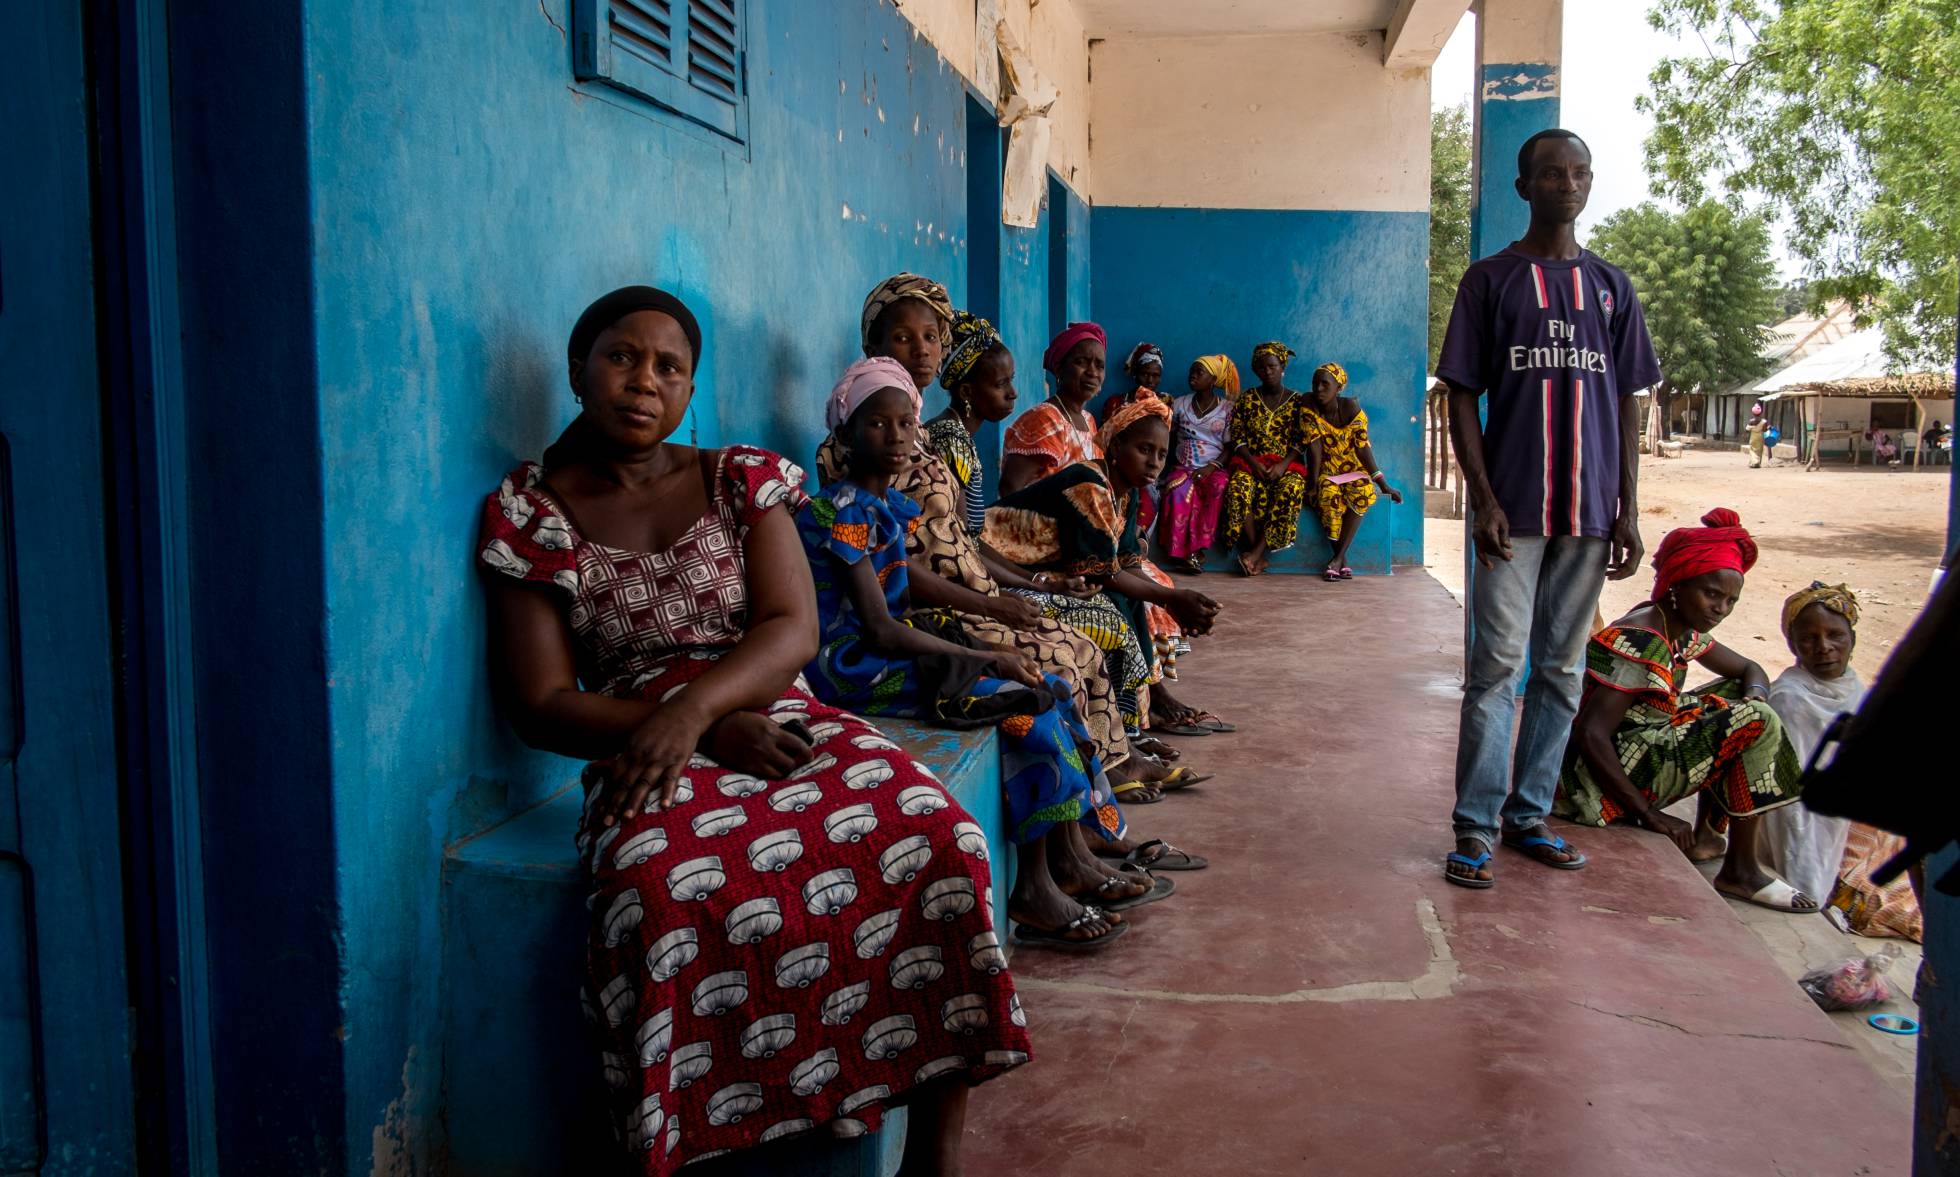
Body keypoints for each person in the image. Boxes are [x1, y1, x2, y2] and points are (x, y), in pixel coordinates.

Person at [476, 288, 1027, 1175]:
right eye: (621, 357)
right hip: (634, 734)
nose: (644, 381)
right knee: (655, 891)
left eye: (670, 366)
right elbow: (539, 700)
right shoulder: (531, 515)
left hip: (771, 708)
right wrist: (683, 731)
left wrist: (703, 715)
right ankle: (697, 1139)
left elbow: (791, 630)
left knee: (937, 836)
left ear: (692, 385)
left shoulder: (737, 478)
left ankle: (933, 1157)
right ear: (579, 371)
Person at [798, 357, 1171, 950]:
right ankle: (1035, 887)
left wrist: (991, 623)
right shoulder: (842, 514)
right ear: (844, 434)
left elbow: (904, 577)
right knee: (1024, 707)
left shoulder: (880, 507)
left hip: (899, 652)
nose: (896, 437)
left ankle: (1074, 851)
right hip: (857, 668)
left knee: (1051, 691)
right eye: (877, 425)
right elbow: (877, 627)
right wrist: (982, 659)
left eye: (904, 424)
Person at [826, 283, 1195, 798]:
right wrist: (1003, 600)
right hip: (935, 609)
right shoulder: (863, 447)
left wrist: (1034, 584)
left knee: (1087, 638)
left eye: (932, 336)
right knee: (1068, 653)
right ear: (873, 346)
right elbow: (897, 564)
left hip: (976, 592)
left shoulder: (925, 439)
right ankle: (1104, 776)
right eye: (903, 337)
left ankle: (1116, 759)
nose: (923, 349)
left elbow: (960, 540)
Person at [1437, 128, 1660, 888]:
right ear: (1523, 186)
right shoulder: (1491, 281)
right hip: (1513, 513)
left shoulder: (1611, 287)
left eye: (1580, 172)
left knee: (1562, 670)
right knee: (1497, 668)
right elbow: (1461, 393)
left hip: (1590, 515)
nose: (1568, 183)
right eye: (1552, 173)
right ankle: (1474, 826)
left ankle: (1529, 814)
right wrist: (1483, 496)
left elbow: (1627, 402)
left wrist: (1627, 506)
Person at [928, 310, 1183, 776]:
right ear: (967, 391)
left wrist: (1042, 582)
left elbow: (970, 541)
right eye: (1000, 383)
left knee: (1115, 605)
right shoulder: (949, 441)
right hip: (991, 575)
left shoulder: (963, 441)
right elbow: (965, 547)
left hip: (1018, 567)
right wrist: (1037, 585)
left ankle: (1126, 743)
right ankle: (1118, 756)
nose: (1012, 393)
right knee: (1106, 618)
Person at [1555, 509, 1811, 910]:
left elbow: (1748, 669)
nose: (1720, 609)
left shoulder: (1680, 630)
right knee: (1754, 721)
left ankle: (1709, 833)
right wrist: (1646, 814)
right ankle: (1741, 871)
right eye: (1711, 594)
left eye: (1730, 600)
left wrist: (1755, 696)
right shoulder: (1643, 637)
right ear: (1677, 584)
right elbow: (1590, 732)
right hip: (1594, 784)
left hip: (1642, 748)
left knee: (1743, 701)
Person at [985, 399, 1231, 742]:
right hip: (998, 564)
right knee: (1113, 601)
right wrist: (1172, 599)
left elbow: (1126, 563)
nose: (1154, 462)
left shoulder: (1125, 492)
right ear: (1116, 447)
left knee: (1132, 599)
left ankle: (1146, 703)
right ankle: (1132, 718)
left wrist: (1169, 599)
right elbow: (1104, 574)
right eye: (1144, 449)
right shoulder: (1090, 482)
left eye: (1161, 455)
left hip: (1038, 568)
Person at [1757, 583, 1864, 905]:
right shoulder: (1790, 699)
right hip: (1797, 813)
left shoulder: (1855, 689)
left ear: (1852, 639)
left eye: (1835, 635)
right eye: (1808, 638)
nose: (1824, 647)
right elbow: (1788, 796)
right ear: (1793, 645)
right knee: (1808, 884)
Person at [1301, 361, 1402, 582]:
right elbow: (1314, 450)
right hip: (1327, 471)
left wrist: (1383, 484)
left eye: (1325, 384)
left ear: (1339, 388)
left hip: (1353, 470)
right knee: (1326, 494)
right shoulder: (1308, 406)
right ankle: (1341, 560)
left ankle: (1336, 559)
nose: (1319, 389)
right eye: (1315, 383)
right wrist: (1312, 484)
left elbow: (1363, 448)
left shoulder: (1352, 409)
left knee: (1364, 491)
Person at [1221, 342, 1306, 577]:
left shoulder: (1298, 402)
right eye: (1262, 367)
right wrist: (1252, 462)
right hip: (1251, 463)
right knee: (1238, 488)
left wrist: (1283, 465)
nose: (1267, 371)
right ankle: (1256, 553)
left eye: (1272, 366)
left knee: (1291, 488)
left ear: (1282, 367)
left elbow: (1302, 441)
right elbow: (1237, 437)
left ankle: (1255, 555)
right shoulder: (1247, 400)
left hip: (1285, 466)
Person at [1000, 322, 1107, 494]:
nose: (1092, 372)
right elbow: (1010, 488)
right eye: (1081, 362)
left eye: (1099, 365)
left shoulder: (1088, 420)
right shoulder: (1046, 419)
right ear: (1059, 369)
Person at [1160, 354, 1236, 573]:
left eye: (1199, 372)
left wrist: (1212, 467)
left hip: (1215, 467)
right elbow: (1167, 435)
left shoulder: (1228, 409)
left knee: (1217, 487)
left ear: (1213, 380)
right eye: (1191, 371)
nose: (1192, 375)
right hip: (1184, 467)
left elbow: (1230, 446)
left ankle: (1198, 548)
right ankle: (1183, 554)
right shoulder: (1179, 404)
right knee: (1177, 492)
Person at [1746, 403, 1767, 468]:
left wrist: (1752, 429)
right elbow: (1764, 430)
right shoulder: (1764, 421)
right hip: (1760, 436)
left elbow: (1747, 429)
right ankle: (1758, 463)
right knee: (1759, 450)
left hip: (1753, 437)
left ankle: (1754, 462)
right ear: (1760, 413)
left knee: (1752, 449)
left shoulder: (1751, 421)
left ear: (1753, 413)